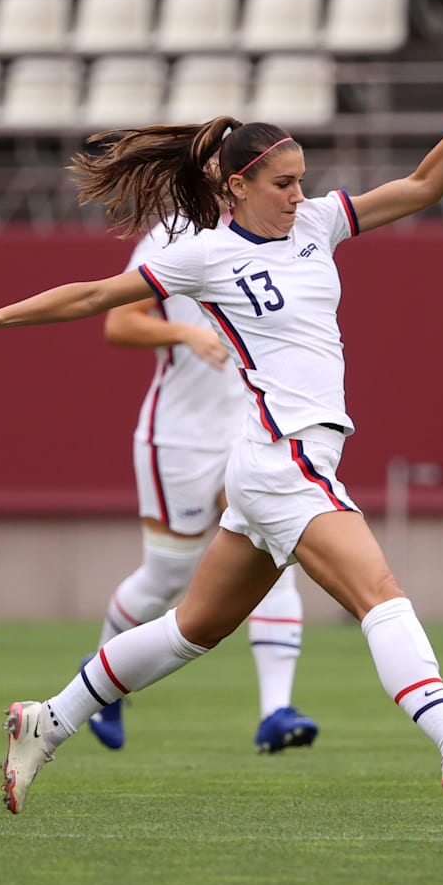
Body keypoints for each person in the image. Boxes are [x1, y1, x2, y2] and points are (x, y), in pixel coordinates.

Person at [0, 79, 443, 814]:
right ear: (238, 185)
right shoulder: (206, 257)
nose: (299, 195)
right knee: (379, 595)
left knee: (192, 629)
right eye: (284, 183)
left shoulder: (319, 224)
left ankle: (49, 719)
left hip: (273, 461)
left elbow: (422, 185)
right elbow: (97, 297)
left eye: (301, 182)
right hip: (285, 459)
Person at [87, 216, 317, 755]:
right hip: (182, 435)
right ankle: (101, 680)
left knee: (275, 555)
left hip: (252, 427)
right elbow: (119, 323)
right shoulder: (170, 236)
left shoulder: (281, 228)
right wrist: (185, 331)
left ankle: (275, 712)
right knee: (166, 575)